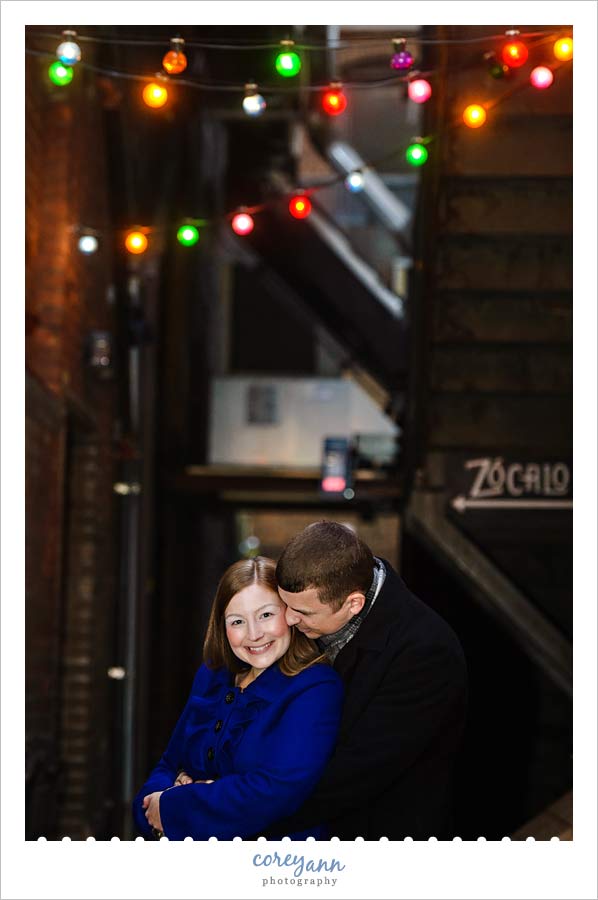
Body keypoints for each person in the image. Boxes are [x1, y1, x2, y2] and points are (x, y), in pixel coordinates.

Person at [263, 521, 468, 841]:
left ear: (354, 603)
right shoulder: (312, 611)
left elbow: (354, 774)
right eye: (284, 604)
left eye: (302, 611)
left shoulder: (426, 652)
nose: (287, 619)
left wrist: (236, 812)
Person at [132, 556, 343, 840]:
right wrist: (152, 805)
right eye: (238, 621)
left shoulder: (317, 687)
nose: (254, 634)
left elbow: (275, 791)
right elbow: (169, 763)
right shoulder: (212, 675)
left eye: (266, 615)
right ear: (222, 626)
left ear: (290, 615)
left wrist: (174, 805)